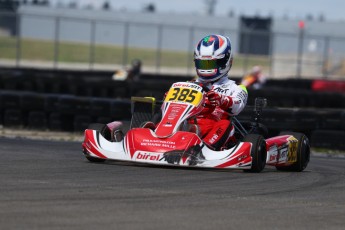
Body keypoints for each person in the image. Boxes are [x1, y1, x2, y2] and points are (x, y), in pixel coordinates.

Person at [190, 34, 248, 150]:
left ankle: (202, 149)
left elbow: (237, 106)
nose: (206, 68)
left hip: (215, 129)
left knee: (226, 125)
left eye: (211, 64)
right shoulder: (189, 84)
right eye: (202, 64)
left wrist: (222, 100)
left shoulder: (236, 87)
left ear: (227, 61)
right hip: (187, 124)